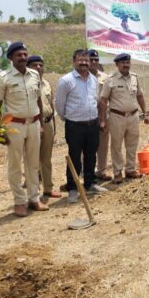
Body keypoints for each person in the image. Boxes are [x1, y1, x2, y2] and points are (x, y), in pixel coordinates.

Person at [0, 42, 49, 216]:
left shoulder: (34, 75)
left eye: (25, 54)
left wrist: (40, 123)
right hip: (14, 126)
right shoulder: (3, 78)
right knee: (15, 165)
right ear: (11, 58)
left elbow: (38, 99)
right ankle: (19, 201)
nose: (23, 58)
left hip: (33, 124)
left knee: (33, 164)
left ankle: (34, 198)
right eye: (19, 55)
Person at [55, 49, 108, 204]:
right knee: (74, 157)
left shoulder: (93, 79)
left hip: (92, 123)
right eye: (81, 60)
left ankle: (90, 184)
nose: (84, 63)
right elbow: (59, 105)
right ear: (74, 61)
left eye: (87, 60)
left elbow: (96, 100)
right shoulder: (66, 80)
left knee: (91, 155)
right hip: (74, 126)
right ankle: (72, 188)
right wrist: (69, 118)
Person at [99, 53, 149, 183]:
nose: (126, 65)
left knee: (132, 144)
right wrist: (103, 119)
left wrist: (145, 112)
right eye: (123, 63)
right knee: (116, 145)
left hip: (133, 116)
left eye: (128, 62)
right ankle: (117, 172)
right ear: (117, 64)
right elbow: (103, 100)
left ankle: (130, 169)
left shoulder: (134, 78)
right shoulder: (110, 79)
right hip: (117, 117)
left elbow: (140, 96)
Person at [26, 55, 61, 200]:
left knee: (46, 159)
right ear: (28, 68)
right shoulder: (26, 84)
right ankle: (32, 194)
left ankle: (48, 188)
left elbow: (50, 105)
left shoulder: (46, 84)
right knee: (32, 160)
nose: (39, 68)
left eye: (41, 65)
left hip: (47, 123)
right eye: (35, 65)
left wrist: (53, 125)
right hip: (32, 124)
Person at [89, 49, 113, 182]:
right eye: (91, 60)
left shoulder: (105, 77)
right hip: (87, 116)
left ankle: (101, 171)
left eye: (96, 60)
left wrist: (104, 117)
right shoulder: (82, 76)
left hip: (104, 115)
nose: (93, 62)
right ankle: (88, 172)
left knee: (103, 144)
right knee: (88, 146)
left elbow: (110, 96)